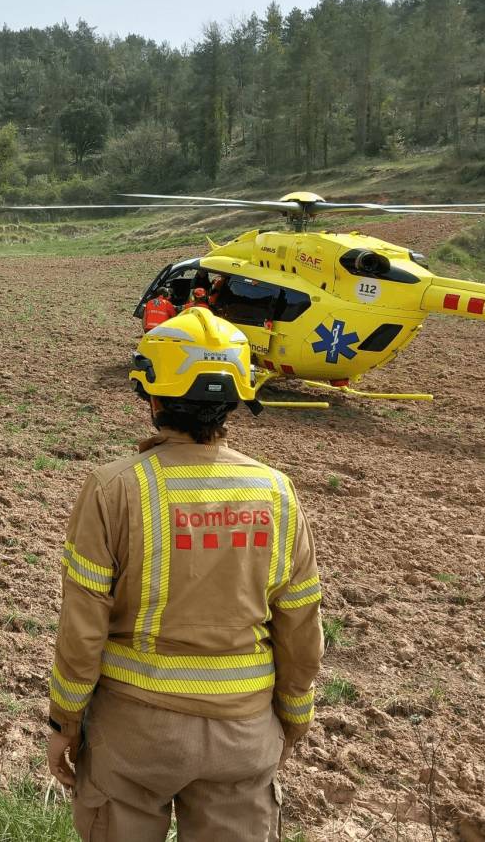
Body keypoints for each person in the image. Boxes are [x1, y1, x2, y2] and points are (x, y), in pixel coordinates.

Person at [46, 308, 323, 842]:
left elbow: (82, 629)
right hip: (244, 735)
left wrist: (65, 722)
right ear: (236, 399)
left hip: (134, 737)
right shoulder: (277, 493)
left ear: (152, 397)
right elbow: (301, 623)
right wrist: (294, 715)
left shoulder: (113, 489)